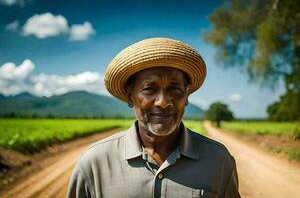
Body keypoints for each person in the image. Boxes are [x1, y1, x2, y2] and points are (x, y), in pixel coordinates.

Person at [67, 37, 241, 198]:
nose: (163, 102)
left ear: (186, 96)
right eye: (149, 89)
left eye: (175, 89)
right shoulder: (94, 163)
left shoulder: (218, 160)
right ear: (130, 96)